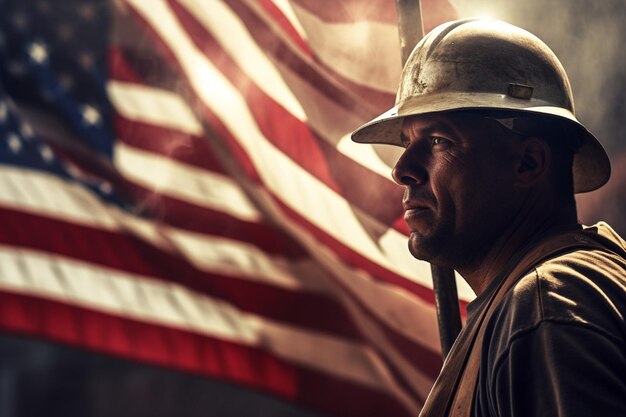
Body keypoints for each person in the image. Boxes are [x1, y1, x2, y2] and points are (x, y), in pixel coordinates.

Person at [351, 18, 626, 417]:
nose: (402, 169)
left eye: (439, 141)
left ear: (528, 163)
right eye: (409, 142)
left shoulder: (548, 307)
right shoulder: (540, 304)